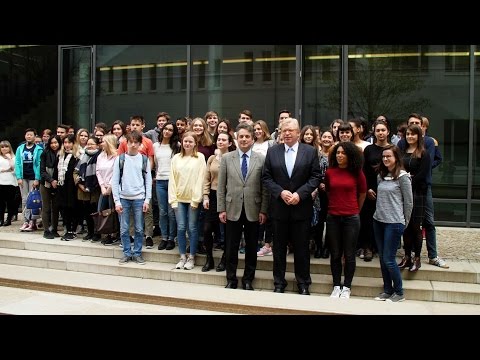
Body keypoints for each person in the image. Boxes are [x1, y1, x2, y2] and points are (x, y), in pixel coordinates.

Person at [262, 118, 321, 295]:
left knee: (301, 248)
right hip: (279, 209)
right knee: (279, 249)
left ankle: (303, 283)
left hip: (301, 208)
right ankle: (279, 283)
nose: (286, 133)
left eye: (290, 130)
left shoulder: (309, 152)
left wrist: (300, 194)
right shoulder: (273, 152)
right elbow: (266, 177)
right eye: (283, 130)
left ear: (298, 132)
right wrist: (280, 192)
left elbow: (315, 177)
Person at [217, 124, 269, 290]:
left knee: (252, 247)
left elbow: (265, 188)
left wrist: (263, 209)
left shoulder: (261, 159)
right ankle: (231, 279)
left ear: (253, 139)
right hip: (232, 209)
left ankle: (248, 280)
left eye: (247, 136)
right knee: (231, 246)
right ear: (236, 139)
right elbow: (221, 186)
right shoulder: (227, 158)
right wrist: (221, 209)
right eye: (241, 136)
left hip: (253, 209)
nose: (244, 139)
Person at [325, 141, 366, 299]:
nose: (340, 155)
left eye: (343, 153)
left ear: (350, 155)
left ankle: (347, 286)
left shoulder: (357, 172)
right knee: (335, 254)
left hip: (351, 218)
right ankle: (336, 285)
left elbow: (362, 194)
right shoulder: (330, 172)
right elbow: (328, 191)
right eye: (337, 153)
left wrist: (355, 209)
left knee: (349, 255)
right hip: (333, 217)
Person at [373, 145, 413, 303]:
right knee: (383, 258)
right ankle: (387, 290)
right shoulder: (381, 175)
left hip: (394, 222)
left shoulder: (403, 177)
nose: (385, 159)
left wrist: (405, 223)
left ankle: (399, 291)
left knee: (389, 258)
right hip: (379, 221)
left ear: (396, 157)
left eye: (388, 156)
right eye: (383, 157)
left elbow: (409, 203)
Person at [112, 130, 152, 265]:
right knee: (124, 228)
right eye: (130, 142)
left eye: (136, 142)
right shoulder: (120, 159)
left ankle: (137, 253)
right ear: (126, 143)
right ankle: (127, 253)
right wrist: (117, 201)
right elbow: (115, 181)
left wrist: (147, 199)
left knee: (139, 228)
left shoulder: (144, 160)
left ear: (140, 144)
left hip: (139, 198)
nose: (133, 145)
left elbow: (148, 181)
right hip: (123, 198)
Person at [169, 131, 206, 270]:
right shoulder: (176, 158)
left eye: (191, 141)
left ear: (195, 143)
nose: (188, 143)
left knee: (192, 227)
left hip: (192, 200)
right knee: (181, 227)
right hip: (178, 199)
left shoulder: (200, 157)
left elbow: (201, 179)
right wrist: (173, 200)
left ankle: (191, 257)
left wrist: (196, 200)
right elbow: (172, 180)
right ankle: (182, 256)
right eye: (185, 141)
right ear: (182, 142)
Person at [15, 128, 43, 232]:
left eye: (31, 135)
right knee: (24, 199)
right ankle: (26, 221)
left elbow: (40, 164)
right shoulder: (20, 148)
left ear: (35, 136)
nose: (29, 136)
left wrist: (37, 178)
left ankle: (33, 221)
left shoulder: (39, 149)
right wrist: (18, 177)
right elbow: (17, 162)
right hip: (23, 177)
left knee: (33, 199)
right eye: (27, 135)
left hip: (33, 177)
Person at [0, 140, 18, 227]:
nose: (4, 148)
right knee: (1, 202)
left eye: (6, 146)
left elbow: (14, 169)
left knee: (10, 202)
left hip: (11, 182)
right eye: (2, 147)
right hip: (1, 181)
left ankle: (9, 219)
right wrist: (6, 169)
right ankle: (1, 219)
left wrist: (9, 159)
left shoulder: (14, 157)